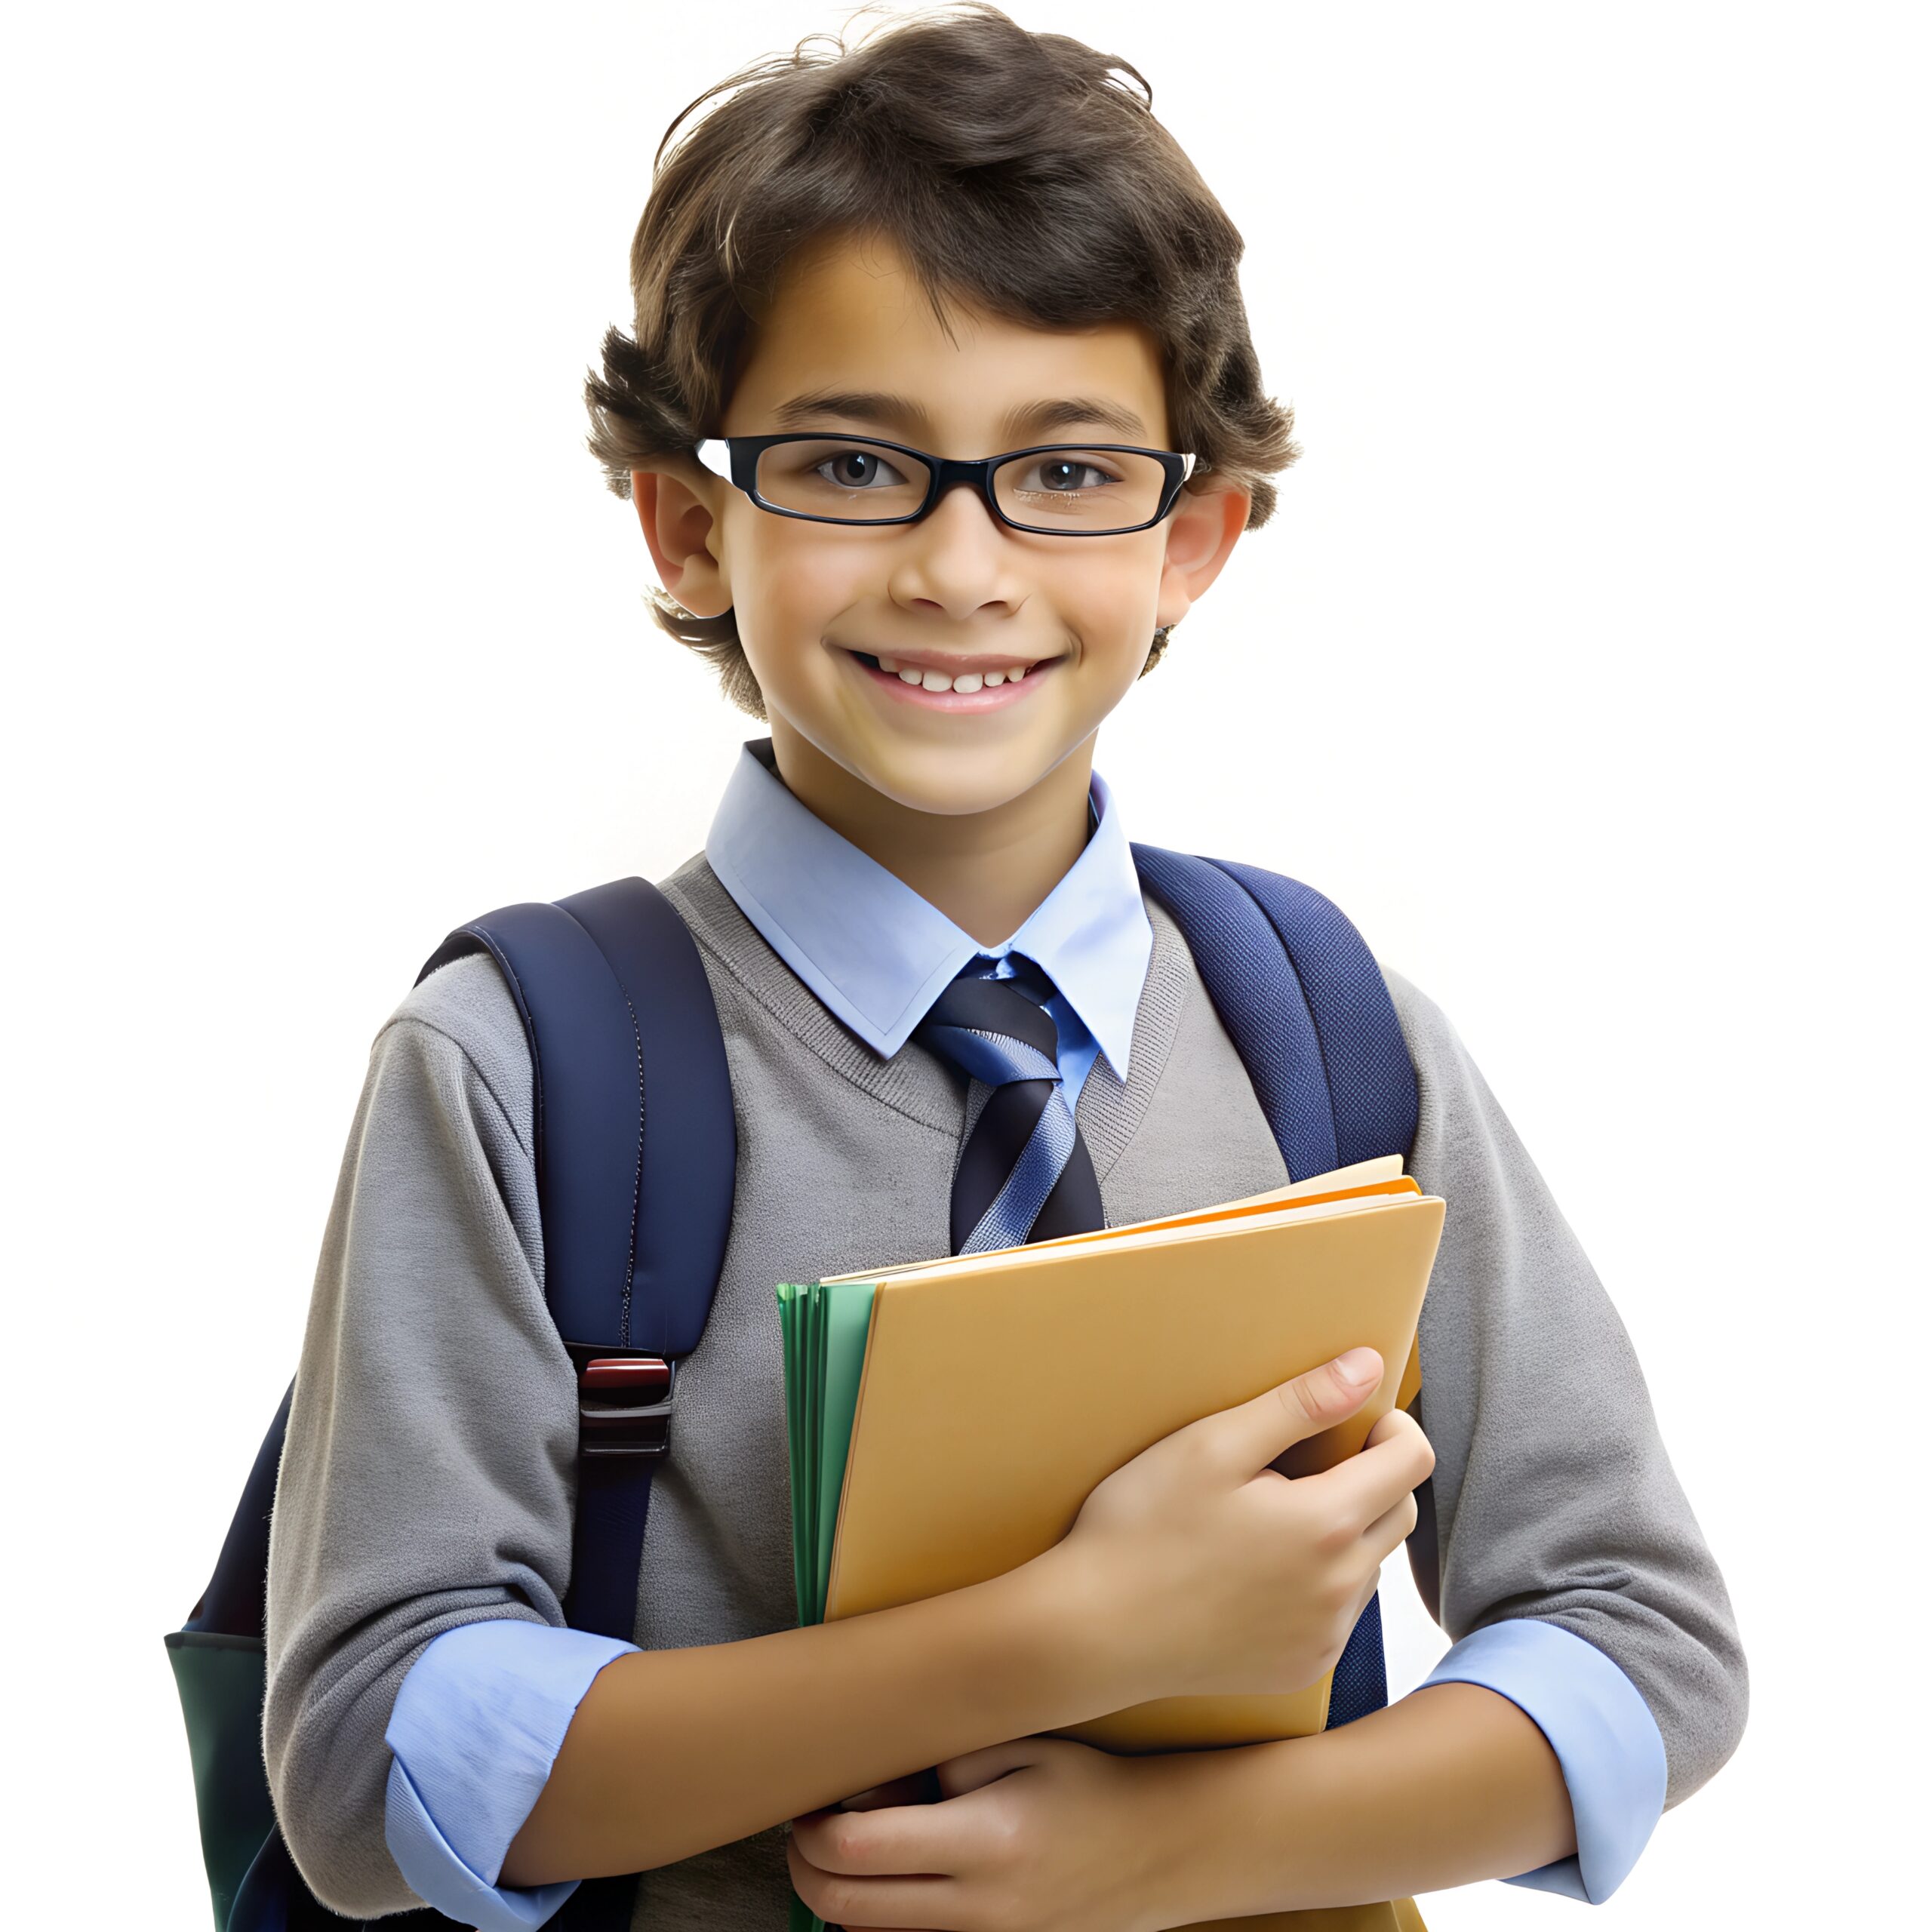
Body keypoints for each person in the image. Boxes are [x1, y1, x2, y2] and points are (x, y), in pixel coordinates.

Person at [261, 8, 1747, 1928]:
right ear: (691, 519)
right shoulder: (519, 1066)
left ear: (1190, 536)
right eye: (857, 465)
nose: (960, 569)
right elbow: (375, 1757)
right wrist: (1057, 1631)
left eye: (1063, 475)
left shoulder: (1328, 1034)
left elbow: (1641, 1640)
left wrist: (1159, 1855)